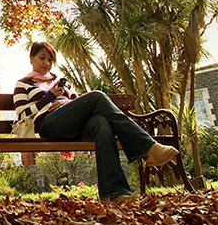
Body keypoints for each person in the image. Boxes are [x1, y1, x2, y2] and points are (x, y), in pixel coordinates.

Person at [13, 41, 179, 203]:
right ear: (31, 58)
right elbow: (23, 115)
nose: (47, 63)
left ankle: (114, 193)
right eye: (42, 58)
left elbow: (79, 104)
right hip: (49, 125)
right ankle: (146, 147)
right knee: (96, 96)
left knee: (101, 123)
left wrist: (64, 102)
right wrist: (49, 98)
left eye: (50, 60)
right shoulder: (23, 84)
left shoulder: (60, 83)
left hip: (75, 126)